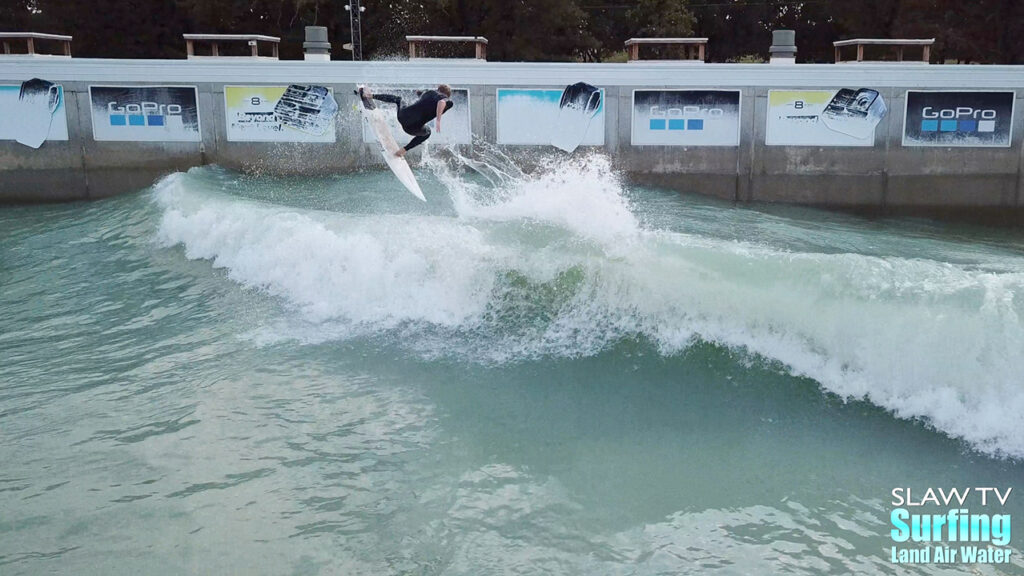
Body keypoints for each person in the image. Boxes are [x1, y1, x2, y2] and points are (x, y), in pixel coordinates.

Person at [359, 85, 453, 157]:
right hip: (412, 129)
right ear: (447, 95)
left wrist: (419, 93)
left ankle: (369, 95)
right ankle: (403, 150)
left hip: (402, 116)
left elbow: (419, 93)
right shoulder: (446, 100)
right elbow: (441, 102)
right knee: (428, 132)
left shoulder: (429, 92)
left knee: (399, 99)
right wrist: (438, 121)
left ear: (438, 89)